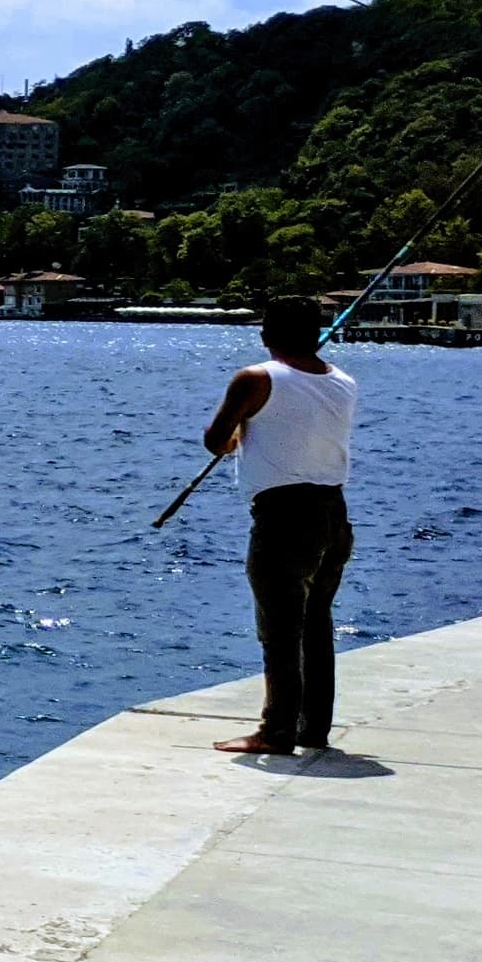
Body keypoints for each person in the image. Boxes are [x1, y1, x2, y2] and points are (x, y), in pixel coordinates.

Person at [202, 296, 358, 757]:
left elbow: (217, 441)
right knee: (315, 623)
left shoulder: (254, 378)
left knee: (280, 628)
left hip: (283, 516)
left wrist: (237, 438)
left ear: (267, 334)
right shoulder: (343, 382)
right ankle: (313, 728)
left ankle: (275, 731)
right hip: (334, 514)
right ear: (316, 333)